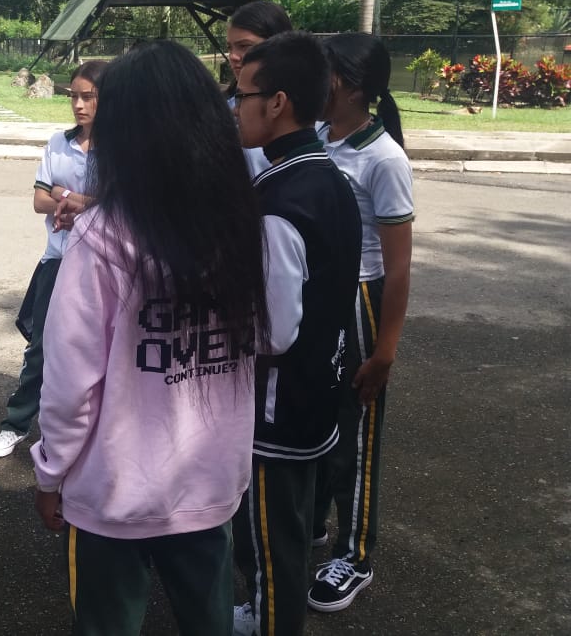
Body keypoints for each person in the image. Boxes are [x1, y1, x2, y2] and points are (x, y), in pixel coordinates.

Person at [31, 39, 269, 635]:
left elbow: (70, 382)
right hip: (210, 482)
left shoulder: (100, 236)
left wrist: (50, 471)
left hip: (115, 494)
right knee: (209, 621)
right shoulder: (243, 225)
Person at [228, 32, 362, 636]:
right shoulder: (327, 176)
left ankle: (270, 621)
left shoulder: (279, 200)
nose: (236, 107)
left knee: (268, 539)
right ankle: (267, 612)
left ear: (278, 102)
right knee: (288, 527)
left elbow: (273, 332)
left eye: (242, 95)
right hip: (319, 389)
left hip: (278, 409)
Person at [308, 32, 414, 613]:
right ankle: (317, 523)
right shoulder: (319, 136)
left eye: (322, 74)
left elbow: (397, 270)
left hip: (360, 303)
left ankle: (355, 554)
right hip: (319, 296)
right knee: (319, 419)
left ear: (349, 86)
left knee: (357, 433)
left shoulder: (384, 159)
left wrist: (385, 351)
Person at [0, 60, 106, 458]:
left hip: (104, 263)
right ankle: (16, 423)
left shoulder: (124, 147)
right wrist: (71, 200)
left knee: (99, 350)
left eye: (88, 97)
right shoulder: (59, 143)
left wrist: (68, 196)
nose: (78, 105)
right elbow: (40, 200)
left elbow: (123, 203)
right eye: (73, 96)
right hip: (58, 260)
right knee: (40, 346)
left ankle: (90, 433)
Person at [225, 0, 294, 177]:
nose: (233, 56)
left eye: (244, 46)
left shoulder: (311, 115)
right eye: (230, 47)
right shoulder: (223, 110)